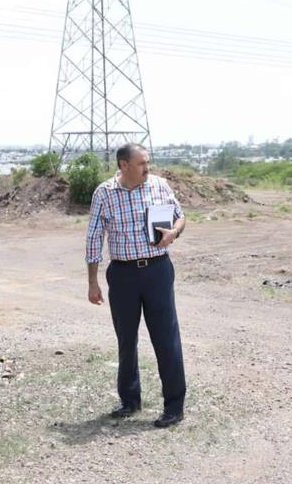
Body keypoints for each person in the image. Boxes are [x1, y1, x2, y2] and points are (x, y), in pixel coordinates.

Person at [85, 143, 188, 428]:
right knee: (126, 341)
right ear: (123, 165)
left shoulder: (158, 185)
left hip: (157, 271)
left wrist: (174, 232)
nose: (147, 168)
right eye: (141, 163)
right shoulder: (104, 193)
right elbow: (94, 237)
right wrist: (92, 282)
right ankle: (130, 401)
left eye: (148, 162)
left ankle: (174, 406)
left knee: (166, 339)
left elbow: (180, 216)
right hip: (123, 275)